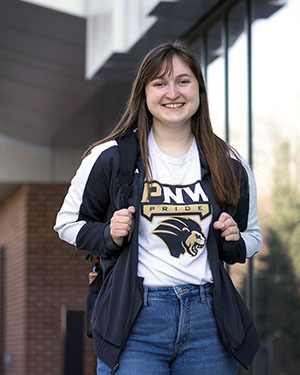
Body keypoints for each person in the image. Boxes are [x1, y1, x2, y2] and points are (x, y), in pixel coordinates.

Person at [54, 40, 262, 375]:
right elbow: (67, 224)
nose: (173, 93)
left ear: (198, 89)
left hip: (209, 322)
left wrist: (234, 240)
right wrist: (108, 234)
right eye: (160, 83)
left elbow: (253, 236)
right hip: (135, 320)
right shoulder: (111, 157)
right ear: (144, 93)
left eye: (183, 81)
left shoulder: (229, 163)